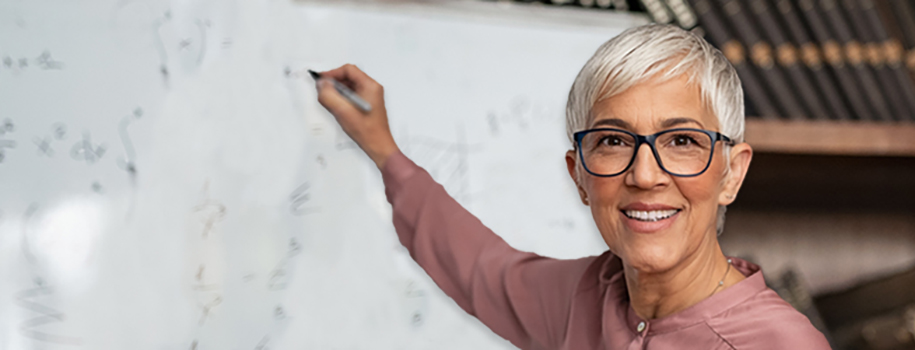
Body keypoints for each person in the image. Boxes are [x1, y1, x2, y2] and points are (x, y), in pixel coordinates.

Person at [315, 24, 829, 350]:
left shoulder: (778, 345)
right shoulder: (584, 299)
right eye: (611, 140)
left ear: (732, 173)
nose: (645, 175)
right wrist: (383, 148)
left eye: (681, 141)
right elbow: (477, 268)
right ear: (579, 175)